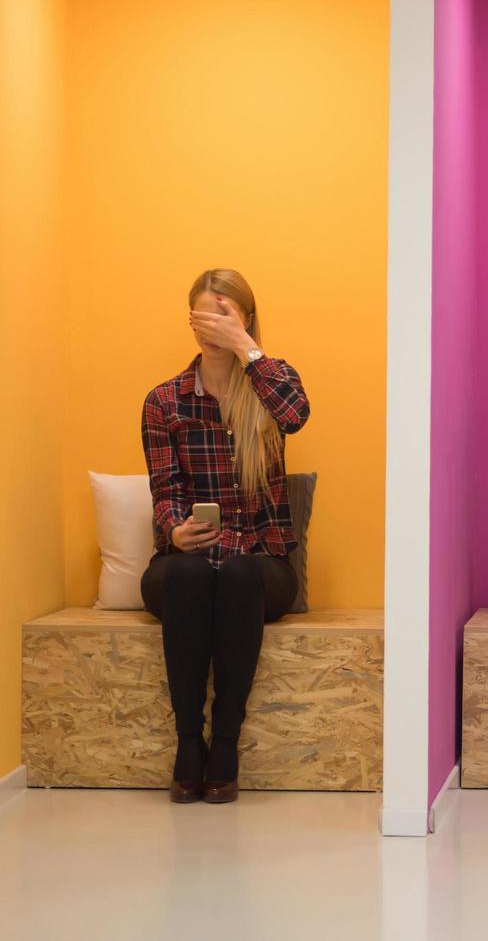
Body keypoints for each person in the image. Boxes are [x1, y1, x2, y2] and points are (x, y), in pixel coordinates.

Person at [140, 269, 310, 804]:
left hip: (261, 566)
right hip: (187, 562)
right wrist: (176, 527)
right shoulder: (164, 401)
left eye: (225, 311)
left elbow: (297, 414)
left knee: (236, 575)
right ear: (191, 322)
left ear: (245, 318)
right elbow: (163, 488)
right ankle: (189, 744)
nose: (212, 321)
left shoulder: (270, 385)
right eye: (204, 311)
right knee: (190, 574)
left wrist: (247, 349)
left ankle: (226, 744)